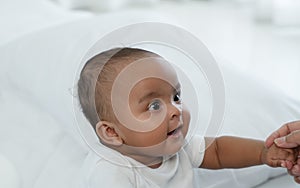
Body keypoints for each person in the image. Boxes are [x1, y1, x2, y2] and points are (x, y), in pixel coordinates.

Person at [77, 47, 297, 187]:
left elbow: (218, 151)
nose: (175, 110)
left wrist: (263, 153)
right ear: (112, 132)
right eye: (154, 105)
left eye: (176, 96)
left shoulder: (173, 147)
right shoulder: (110, 172)